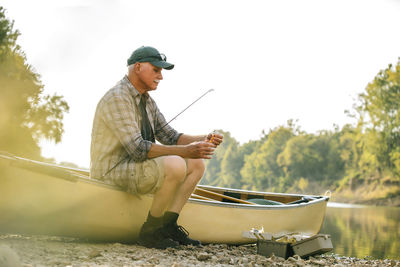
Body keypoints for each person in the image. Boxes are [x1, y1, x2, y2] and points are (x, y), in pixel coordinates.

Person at [90, 46, 223, 249]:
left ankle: (167, 226)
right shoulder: (118, 97)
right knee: (176, 164)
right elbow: (137, 149)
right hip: (111, 171)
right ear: (138, 67)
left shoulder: (147, 101)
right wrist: (185, 151)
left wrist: (203, 140)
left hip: (135, 168)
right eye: (156, 70)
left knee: (196, 163)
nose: (161, 76)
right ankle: (150, 232)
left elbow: (170, 136)